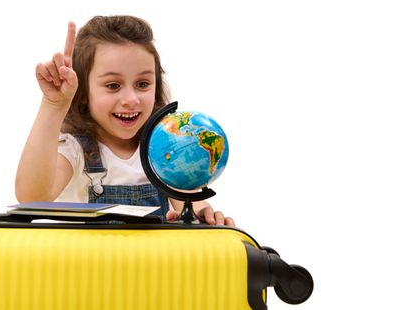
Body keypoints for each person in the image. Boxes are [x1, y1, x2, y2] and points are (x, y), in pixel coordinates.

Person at [15, 15, 235, 226]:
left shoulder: (165, 151)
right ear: (83, 93)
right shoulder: (75, 150)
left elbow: (193, 207)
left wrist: (204, 218)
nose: (131, 99)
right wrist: (53, 105)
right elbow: (32, 197)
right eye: (113, 85)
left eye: (142, 84)